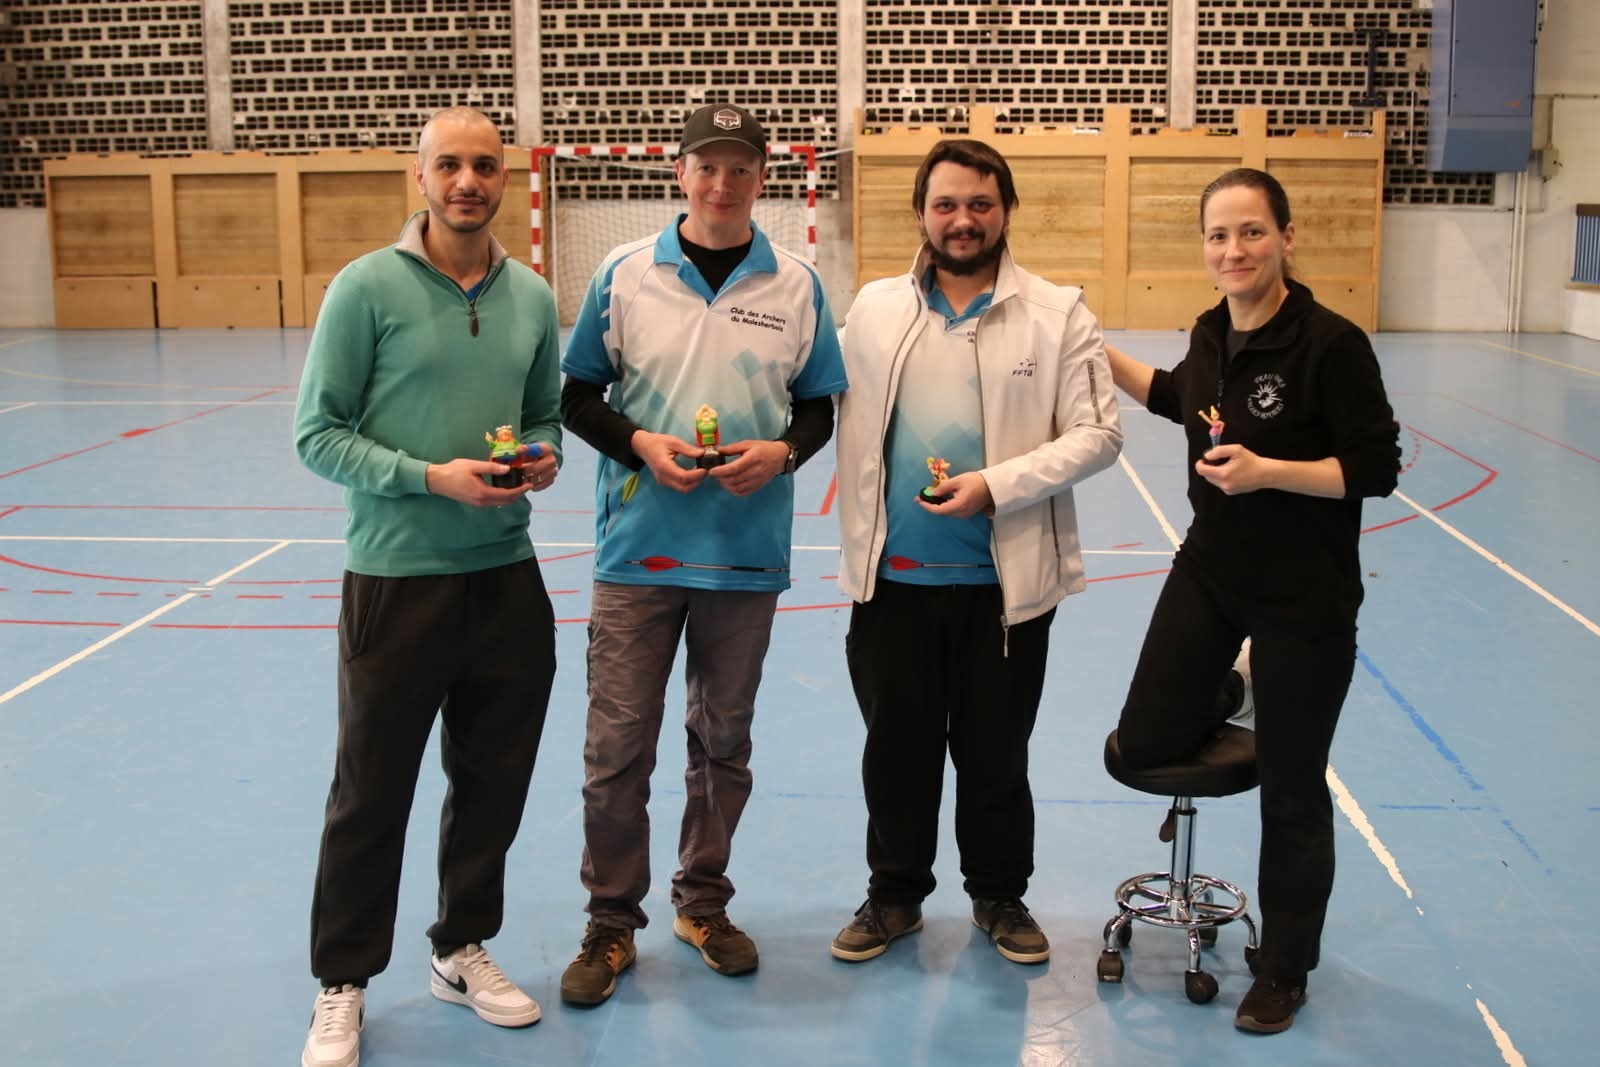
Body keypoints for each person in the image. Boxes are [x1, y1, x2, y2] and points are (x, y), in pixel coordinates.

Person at [556, 103, 847, 1005]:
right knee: (616, 749)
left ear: (763, 177)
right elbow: (577, 397)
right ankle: (611, 920)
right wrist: (639, 443)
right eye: (707, 166)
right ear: (679, 172)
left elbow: (819, 406)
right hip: (638, 553)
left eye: (740, 167)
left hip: (744, 555)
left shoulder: (796, 283)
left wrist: (784, 454)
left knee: (723, 743)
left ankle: (703, 902)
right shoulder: (623, 274)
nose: (723, 184)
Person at [293, 106, 563, 1067]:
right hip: (396, 578)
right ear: (421, 176)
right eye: (449, 164)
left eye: (484, 165)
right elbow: (317, 433)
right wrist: (428, 477)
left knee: (493, 782)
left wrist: (543, 457)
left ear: (506, 178)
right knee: (371, 790)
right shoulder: (365, 287)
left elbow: (544, 414)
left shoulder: (532, 295)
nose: (467, 181)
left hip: (506, 578)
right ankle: (343, 979)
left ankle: (460, 946)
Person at [1103, 167, 1400, 1034]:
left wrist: (1270, 472)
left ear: (1286, 237)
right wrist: (1094, 349)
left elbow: (1376, 469)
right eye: (1218, 235)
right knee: (1143, 742)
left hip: (1304, 596)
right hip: (1212, 572)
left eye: (1251, 232)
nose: (1233, 250)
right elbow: (1177, 397)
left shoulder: (1330, 344)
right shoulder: (1209, 332)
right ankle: (1236, 684)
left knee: (1293, 791)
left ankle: (1285, 969)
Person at [830, 139, 1124, 966]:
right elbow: (816, 398)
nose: (964, 220)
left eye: (981, 204)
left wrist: (995, 485)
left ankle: (999, 894)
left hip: (1005, 585)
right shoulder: (873, 310)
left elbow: (1099, 434)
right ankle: (894, 894)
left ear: (1006, 210)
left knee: (996, 752)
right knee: (896, 751)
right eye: (947, 204)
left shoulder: (1058, 313)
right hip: (891, 580)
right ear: (921, 212)